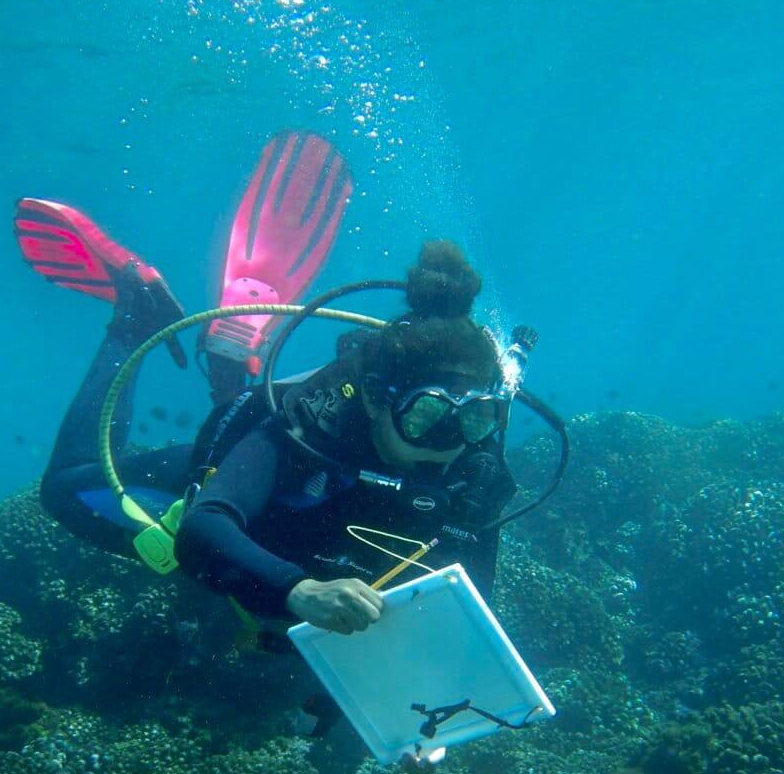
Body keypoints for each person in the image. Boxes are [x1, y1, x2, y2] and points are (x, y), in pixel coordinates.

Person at [38, 240, 517, 637]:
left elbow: (466, 607)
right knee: (64, 490)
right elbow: (204, 526)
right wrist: (300, 590)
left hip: (303, 550)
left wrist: (423, 718)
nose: (448, 442)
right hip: (251, 491)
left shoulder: (475, 463)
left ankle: (232, 360)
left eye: (474, 418)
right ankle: (135, 321)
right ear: (375, 399)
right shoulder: (312, 424)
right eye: (427, 414)